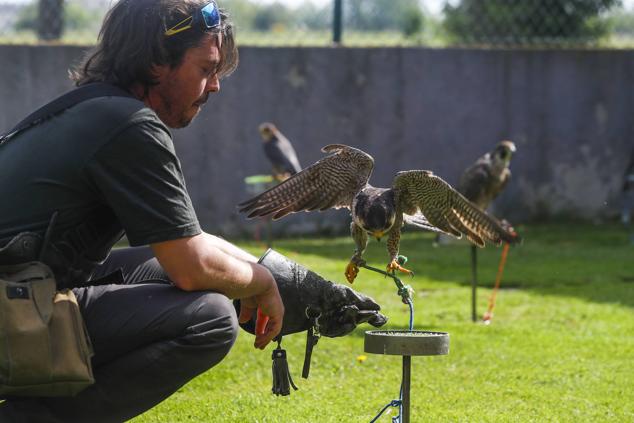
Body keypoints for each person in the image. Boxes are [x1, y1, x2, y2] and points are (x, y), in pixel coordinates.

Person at [0, 1, 386, 421]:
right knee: (210, 318)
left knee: (167, 267)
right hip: (12, 312)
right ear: (154, 62)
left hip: (22, 292)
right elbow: (191, 267)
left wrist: (287, 280)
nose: (216, 86)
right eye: (206, 69)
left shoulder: (92, 109)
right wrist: (260, 284)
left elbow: (190, 244)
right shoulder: (129, 126)